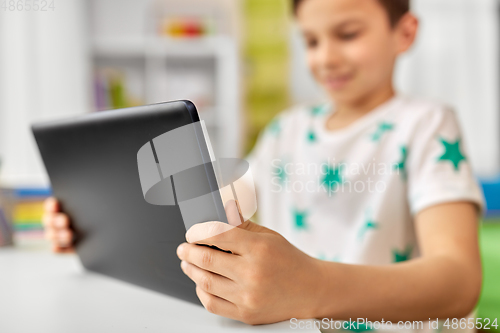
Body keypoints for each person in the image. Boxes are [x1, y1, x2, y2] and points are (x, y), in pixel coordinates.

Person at [43, 0, 484, 329]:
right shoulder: (286, 130)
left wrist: (314, 287)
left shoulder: (426, 125)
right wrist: (97, 225)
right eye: (311, 41)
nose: (326, 57)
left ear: (404, 33)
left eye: (348, 34)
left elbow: (460, 283)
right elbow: (218, 212)